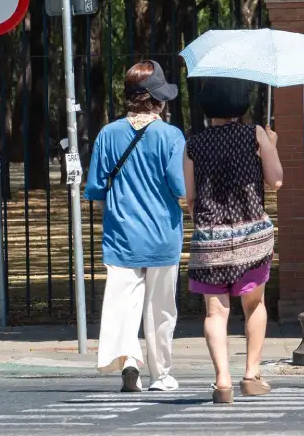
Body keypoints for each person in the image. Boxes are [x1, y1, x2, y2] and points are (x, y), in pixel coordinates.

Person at [85, 60, 186, 393]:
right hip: (162, 234)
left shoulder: (108, 134)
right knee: (160, 310)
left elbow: (97, 189)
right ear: (156, 99)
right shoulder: (170, 136)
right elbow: (179, 186)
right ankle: (161, 374)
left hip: (121, 234)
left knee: (123, 306)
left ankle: (129, 361)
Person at [183, 78, 282, 404]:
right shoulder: (254, 134)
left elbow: (191, 198)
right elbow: (276, 180)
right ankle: (251, 374)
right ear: (241, 103)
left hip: (210, 241)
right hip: (252, 237)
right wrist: (271, 144)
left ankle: (222, 380)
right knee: (254, 305)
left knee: (215, 313)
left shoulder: (193, 144)